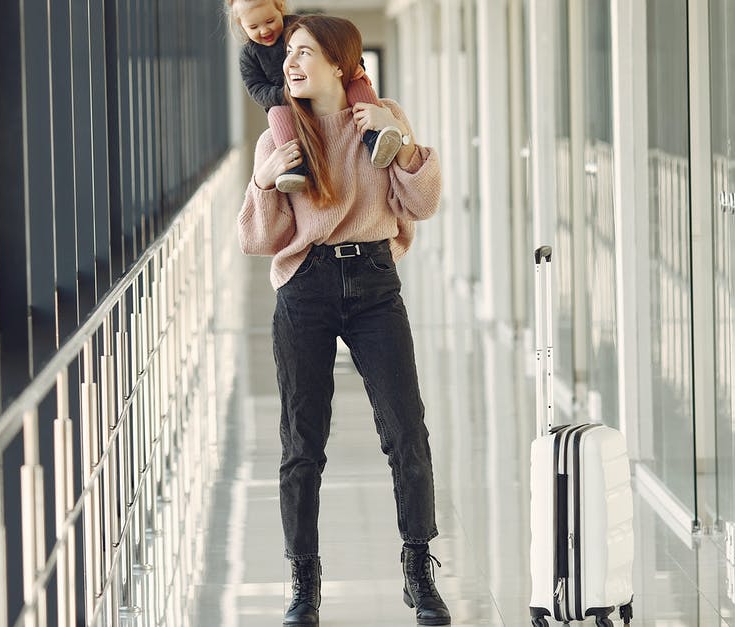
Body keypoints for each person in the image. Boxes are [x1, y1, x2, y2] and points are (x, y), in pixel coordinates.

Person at [237, 14, 451, 627]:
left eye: (305, 52)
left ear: (341, 63)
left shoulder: (381, 119)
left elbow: (424, 202)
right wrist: (264, 180)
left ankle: (418, 569)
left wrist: (402, 145)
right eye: (289, 54)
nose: (291, 63)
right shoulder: (280, 138)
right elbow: (260, 236)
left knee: (406, 429)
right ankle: (304, 584)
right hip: (304, 287)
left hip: (375, 283)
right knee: (302, 443)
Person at [227, 0, 404, 193]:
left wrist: (355, 65)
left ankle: (375, 135)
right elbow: (256, 89)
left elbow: (338, 43)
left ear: (281, 9)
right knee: (276, 114)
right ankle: (296, 167)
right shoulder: (248, 55)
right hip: (284, 101)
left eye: (270, 21)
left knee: (358, 83)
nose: (264, 30)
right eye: (253, 27)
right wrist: (285, 94)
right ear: (241, 26)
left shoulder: (302, 28)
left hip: (325, 86)